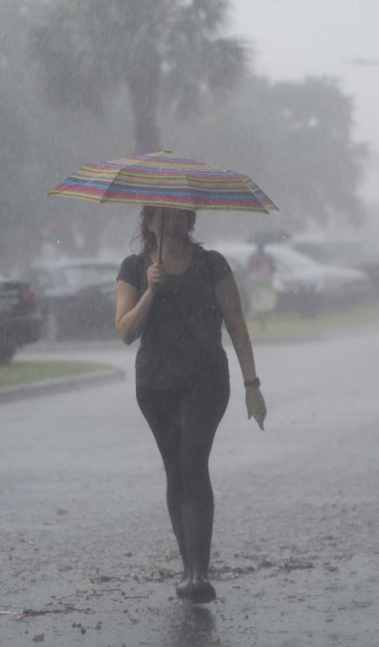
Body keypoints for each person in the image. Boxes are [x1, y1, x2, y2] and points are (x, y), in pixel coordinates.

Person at [115, 205, 267, 604]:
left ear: (190, 220)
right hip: (156, 385)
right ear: (148, 222)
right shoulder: (133, 268)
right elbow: (125, 332)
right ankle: (188, 569)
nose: (172, 223)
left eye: (179, 215)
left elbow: (237, 325)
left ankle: (199, 572)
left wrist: (252, 385)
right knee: (176, 470)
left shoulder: (212, 264)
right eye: (162, 217)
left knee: (193, 463)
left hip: (206, 382)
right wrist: (151, 290)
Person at [246, 243, 277, 331]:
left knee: (261, 306)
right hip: (264, 285)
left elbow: (249, 271)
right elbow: (273, 269)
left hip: (258, 285)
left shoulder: (253, 258)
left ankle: (262, 323)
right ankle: (263, 323)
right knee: (263, 306)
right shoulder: (268, 258)